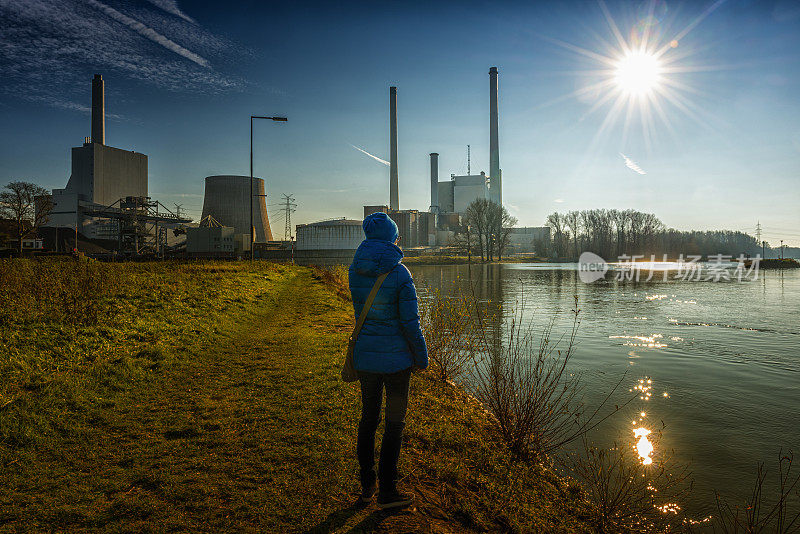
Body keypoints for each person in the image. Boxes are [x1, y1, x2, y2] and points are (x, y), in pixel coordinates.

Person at [348, 212, 428, 509]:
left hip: (366, 358)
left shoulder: (355, 269)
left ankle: (367, 486)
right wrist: (421, 357)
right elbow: (411, 323)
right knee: (394, 424)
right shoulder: (400, 273)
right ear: (393, 237)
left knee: (368, 420)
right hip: (396, 363)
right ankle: (388, 492)